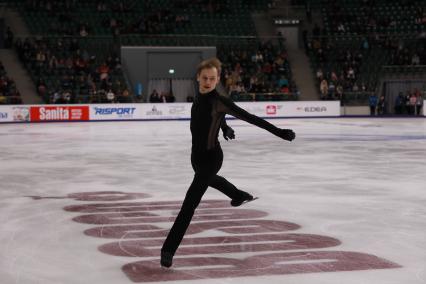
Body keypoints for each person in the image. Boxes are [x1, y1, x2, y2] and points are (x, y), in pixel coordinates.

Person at [160, 57, 296, 268]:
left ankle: (168, 250)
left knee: (190, 203)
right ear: (198, 78)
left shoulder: (220, 100)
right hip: (195, 158)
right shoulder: (199, 97)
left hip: (212, 158)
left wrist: (279, 132)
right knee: (209, 180)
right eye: (204, 78)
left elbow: (251, 118)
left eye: (212, 78)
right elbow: (213, 116)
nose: (208, 81)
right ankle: (238, 195)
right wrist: (225, 128)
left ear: (217, 80)